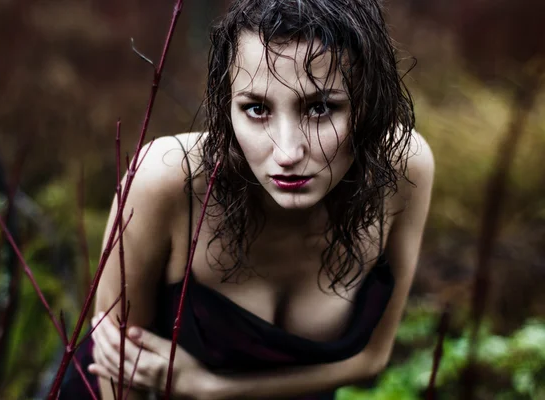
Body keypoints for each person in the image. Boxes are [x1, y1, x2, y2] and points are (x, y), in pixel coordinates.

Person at [65, 0, 434, 399]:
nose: (287, 152)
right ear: (227, 107)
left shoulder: (401, 172)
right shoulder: (166, 180)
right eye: (256, 108)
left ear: (369, 104)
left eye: (321, 107)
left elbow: (372, 359)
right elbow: (115, 367)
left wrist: (209, 388)